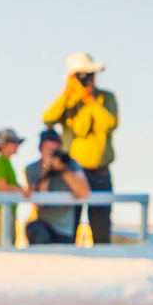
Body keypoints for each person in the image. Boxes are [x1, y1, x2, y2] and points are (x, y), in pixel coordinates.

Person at [42, 52, 119, 246]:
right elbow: (47, 119)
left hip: (99, 173)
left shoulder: (106, 98)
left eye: (90, 75)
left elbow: (110, 123)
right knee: (69, 230)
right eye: (82, 75)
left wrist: (91, 100)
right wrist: (67, 93)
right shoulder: (68, 102)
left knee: (101, 232)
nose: (87, 80)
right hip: (72, 175)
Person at [0, 128, 26, 248]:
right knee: (3, 247)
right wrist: (22, 190)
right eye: (12, 142)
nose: (17, 145)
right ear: (2, 145)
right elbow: (2, 187)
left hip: (9, 212)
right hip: (1, 212)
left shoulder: (7, 162)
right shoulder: (0, 162)